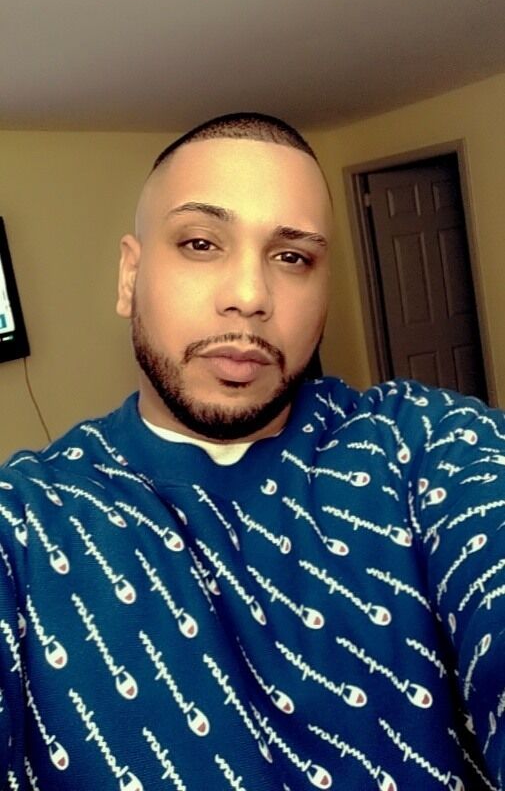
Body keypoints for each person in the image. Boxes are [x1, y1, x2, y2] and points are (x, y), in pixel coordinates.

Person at [0, 112, 504, 791]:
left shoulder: (420, 442)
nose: (249, 297)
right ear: (129, 276)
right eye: (201, 243)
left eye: (292, 257)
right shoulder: (27, 524)